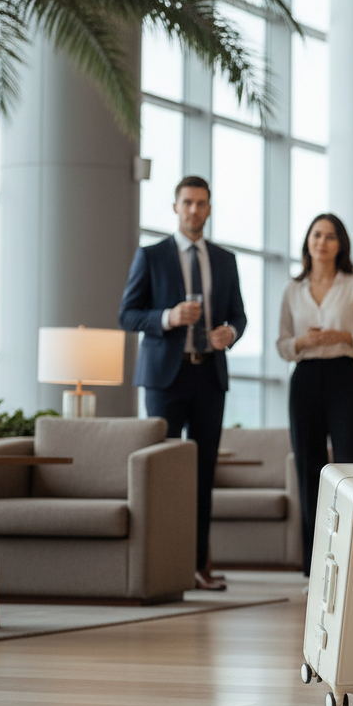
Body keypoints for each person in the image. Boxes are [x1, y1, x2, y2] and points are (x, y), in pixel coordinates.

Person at [119, 176, 247, 591]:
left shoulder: (225, 260)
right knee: (161, 472)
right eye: (187, 202)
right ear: (175, 207)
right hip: (164, 380)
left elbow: (239, 315)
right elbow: (127, 315)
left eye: (201, 203)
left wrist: (230, 333)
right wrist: (168, 317)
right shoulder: (151, 255)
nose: (194, 210)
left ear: (209, 208)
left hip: (209, 376)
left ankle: (197, 567)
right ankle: (161, 566)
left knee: (203, 472)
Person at [277, 213, 353, 577]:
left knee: (351, 467)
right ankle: (314, 567)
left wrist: (342, 337)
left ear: (340, 245)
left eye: (330, 236)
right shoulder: (292, 289)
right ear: (308, 241)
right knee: (309, 469)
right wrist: (303, 342)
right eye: (317, 235)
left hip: (343, 377)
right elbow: (283, 344)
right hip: (304, 378)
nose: (322, 242)